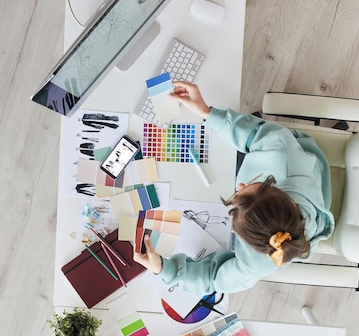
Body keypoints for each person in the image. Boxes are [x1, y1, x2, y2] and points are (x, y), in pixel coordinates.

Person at [133, 81, 334, 294]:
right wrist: (207, 112)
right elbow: (256, 133)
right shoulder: (281, 149)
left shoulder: (258, 263)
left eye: (235, 206)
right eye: (256, 183)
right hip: (305, 167)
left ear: (245, 240)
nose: (240, 184)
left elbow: (215, 279)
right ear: (274, 187)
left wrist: (164, 269)